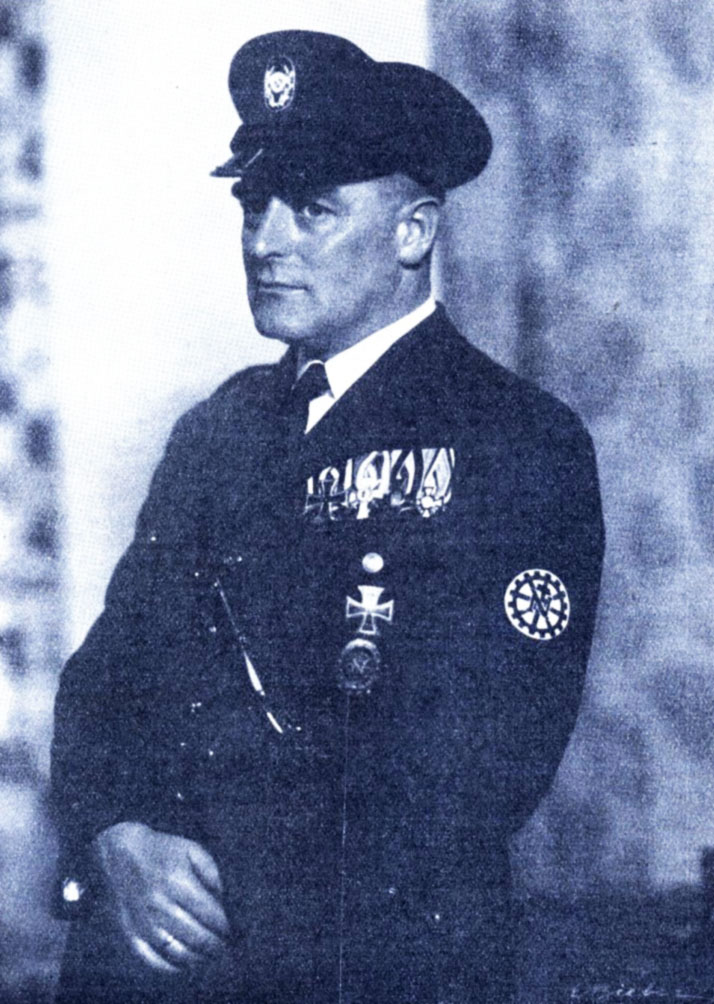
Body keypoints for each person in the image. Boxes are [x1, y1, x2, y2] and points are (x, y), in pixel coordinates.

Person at [50, 29, 605, 1004]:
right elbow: (105, 679)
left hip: (364, 967)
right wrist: (118, 838)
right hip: (157, 965)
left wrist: (204, 863)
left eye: (312, 209)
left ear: (413, 233)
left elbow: (475, 770)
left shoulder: (515, 439)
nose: (265, 242)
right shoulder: (218, 431)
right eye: (254, 205)